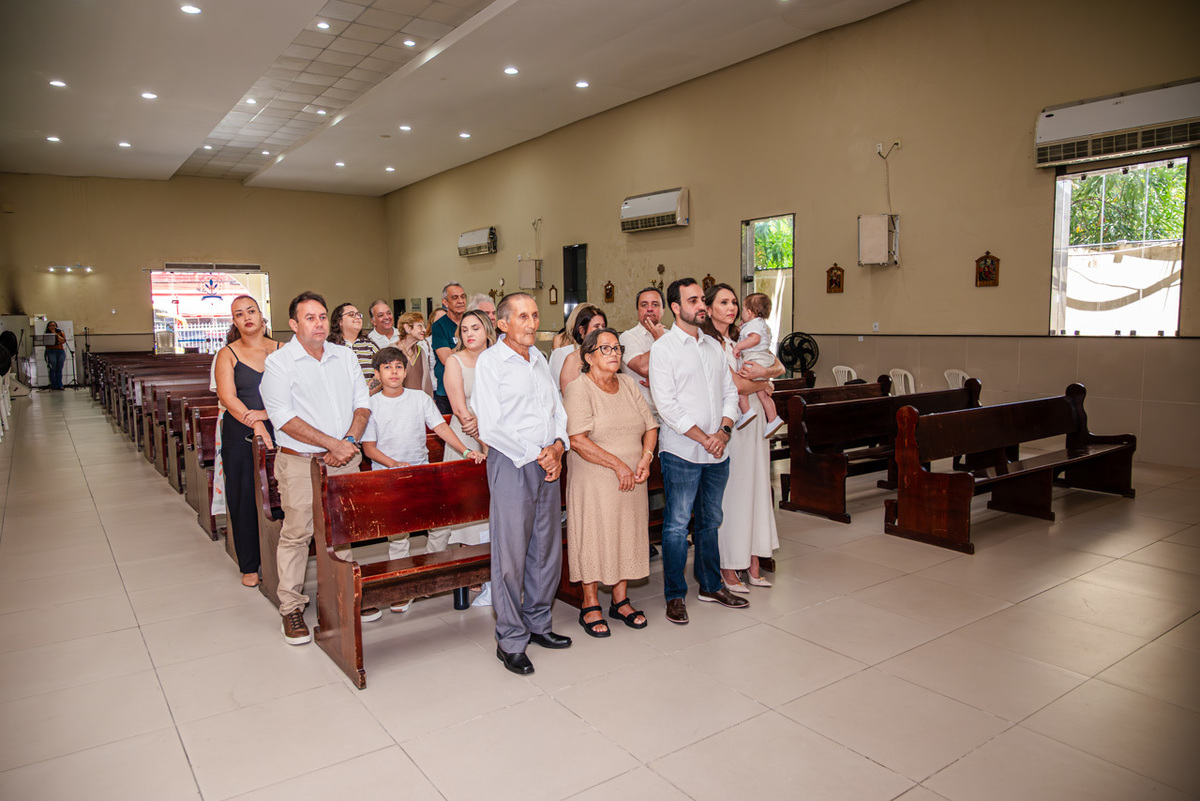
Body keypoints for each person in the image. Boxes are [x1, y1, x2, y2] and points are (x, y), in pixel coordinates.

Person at [260, 291, 371, 646]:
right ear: (293, 324)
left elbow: (363, 403)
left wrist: (349, 442)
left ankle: (346, 592)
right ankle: (291, 606)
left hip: (345, 456)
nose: (319, 323)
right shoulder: (280, 363)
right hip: (300, 461)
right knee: (298, 532)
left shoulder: (344, 355)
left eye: (322, 316)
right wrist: (332, 444)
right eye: (310, 318)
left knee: (344, 528)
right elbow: (284, 418)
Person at [474, 292, 572, 675]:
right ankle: (511, 639)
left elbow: (556, 409)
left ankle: (538, 622)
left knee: (545, 549)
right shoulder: (491, 363)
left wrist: (559, 446)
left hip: (548, 460)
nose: (532, 323)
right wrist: (538, 452)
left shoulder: (539, 359)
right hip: (514, 461)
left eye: (534, 315)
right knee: (511, 555)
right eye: (523, 317)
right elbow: (491, 425)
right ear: (501, 324)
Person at [648, 277, 747, 625]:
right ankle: (675, 595)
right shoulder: (664, 349)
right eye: (693, 301)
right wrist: (703, 437)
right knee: (676, 524)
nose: (701, 306)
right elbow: (667, 406)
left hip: (717, 451)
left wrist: (723, 430)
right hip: (682, 452)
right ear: (675, 307)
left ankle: (710, 584)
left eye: (702, 300)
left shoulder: (714, 348)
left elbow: (730, 394)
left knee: (710, 521)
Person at [362, 346, 485, 611]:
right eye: (387, 368)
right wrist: (394, 464)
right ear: (377, 373)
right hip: (388, 477)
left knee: (440, 527)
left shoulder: (419, 398)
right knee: (398, 535)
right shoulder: (371, 405)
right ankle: (400, 587)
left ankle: (430, 575)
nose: (394, 372)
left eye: (398, 367)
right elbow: (369, 448)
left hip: (420, 474)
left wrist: (464, 450)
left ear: (406, 372)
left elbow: (440, 427)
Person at [563, 328, 658, 637]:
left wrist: (645, 458)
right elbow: (577, 440)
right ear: (589, 356)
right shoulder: (580, 388)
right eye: (606, 349)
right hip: (595, 479)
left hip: (633, 477)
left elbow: (650, 425)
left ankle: (620, 600)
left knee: (626, 535)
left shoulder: (629, 383)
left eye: (617, 347)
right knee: (594, 535)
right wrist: (619, 465)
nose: (615, 353)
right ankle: (590, 603)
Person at [703, 284, 784, 593]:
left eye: (734, 302)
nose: (732, 307)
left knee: (757, 489)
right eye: (724, 302)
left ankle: (753, 560)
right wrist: (765, 381)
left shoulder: (741, 338)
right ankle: (728, 565)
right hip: (734, 423)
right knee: (735, 493)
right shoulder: (710, 343)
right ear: (709, 309)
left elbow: (777, 365)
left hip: (756, 422)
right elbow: (736, 386)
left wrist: (767, 373)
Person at [213, 296, 279, 588]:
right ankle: (249, 563)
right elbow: (227, 397)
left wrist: (267, 416)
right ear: (235, 321)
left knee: (283, 493)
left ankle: (283, 554)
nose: (246, 317)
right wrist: (256, 423)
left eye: (250, 311)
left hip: (282, 427)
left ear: (261, 315)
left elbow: (297, 392)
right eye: (239, 314)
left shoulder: (282, 350)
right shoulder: (227, 353)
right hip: (239, 431)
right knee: (243, 496)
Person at [432, 309, 496, 605]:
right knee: (469, 509)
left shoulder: (497, 359)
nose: (470, 334)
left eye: (476, 328)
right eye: (465, 329)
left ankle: (495, 572)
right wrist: (482, 441)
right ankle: (473, 577)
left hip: (498, 435)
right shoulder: (454, 362)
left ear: (487, 331)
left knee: (493, 506)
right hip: (467, 440)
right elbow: (460, 410)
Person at [731, 292, 783, 437]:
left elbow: (754, 339)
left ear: (749, 312)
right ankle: (773, 418)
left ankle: (746, 411)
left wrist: (738, 347)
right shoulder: (760, 324)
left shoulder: (754, 326)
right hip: (764, 358)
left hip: (755, 359)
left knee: (741, 381)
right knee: (763, 395)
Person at [619, 286, 667, 419]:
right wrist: (659, 340)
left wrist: (657, 380)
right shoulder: (627, 337)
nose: (649, 309)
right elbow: (643, 367)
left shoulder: (671, 336)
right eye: (644, 305)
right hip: (641, 412)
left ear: (663, 310)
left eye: (655, 304)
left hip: (670, 412)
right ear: (638, 310)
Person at [432, 282, 468, 415]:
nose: (460, 301)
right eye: (455, 298)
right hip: (447, 391)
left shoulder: (471, 321)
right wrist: (469, 346)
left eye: (463, 297)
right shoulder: (439, 326)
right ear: (445, 303)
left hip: (470, 388)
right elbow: (447, 359)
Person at [329, 302, 380, 394]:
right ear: (340, 321)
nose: (357, 317)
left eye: (359, 315)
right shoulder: (329, 347)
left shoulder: (370, 345)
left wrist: (363, 397)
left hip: (368, 401)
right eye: (351, 315)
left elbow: (382, 373)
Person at [556, 305, 607, 392]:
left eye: (603, 326)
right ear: (582, 331)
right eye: (596, 326)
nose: (601, 331)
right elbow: (570, 396)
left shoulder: (608, 355)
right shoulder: (573, 359)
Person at [395, 311, 434, 397]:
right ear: (407, 328)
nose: (424, 329)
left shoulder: (421, 351)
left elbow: (427, 383)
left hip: (419, 403)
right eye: (420, 326)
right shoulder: (393, 351)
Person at [44, 321, 67, 390]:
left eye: (54, 325)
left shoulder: (60, 332)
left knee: (59, 368)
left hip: (60, 351)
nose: (52, 327)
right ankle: (54, 385)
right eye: (51, 325)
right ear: (48, 327)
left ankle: (60, 384)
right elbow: (46, 343)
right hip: (51, 351)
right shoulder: (46, 334)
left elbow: (62, 341)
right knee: (53, 368)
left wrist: (55, 334)